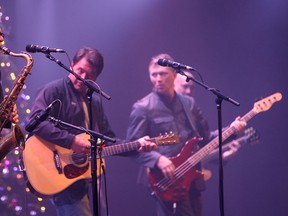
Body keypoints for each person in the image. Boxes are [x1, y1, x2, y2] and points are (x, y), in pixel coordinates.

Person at [25, 47, 156, 216]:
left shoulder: (95, 102)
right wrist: (71, 141)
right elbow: (34, 123)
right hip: (58, 173)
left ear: (96, 77)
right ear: (71, 65)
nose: (83, 77)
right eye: (80, 70)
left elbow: (106, 141)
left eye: (90, 75)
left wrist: (136, 145)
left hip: (80, 180)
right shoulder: (53, 90)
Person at [126, 53, 246, 216]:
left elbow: (205, 138)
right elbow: (132, 147)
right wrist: (157, 159)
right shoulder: (143, 107)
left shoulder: (188, 103)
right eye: (154, 75)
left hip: (192, 178)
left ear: (175, 75)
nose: (158, 79)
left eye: (163, 74)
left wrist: (231, 130)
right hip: (166, 181)